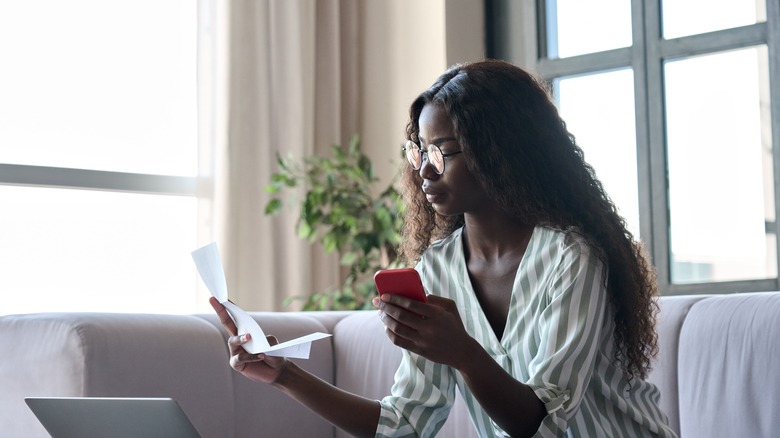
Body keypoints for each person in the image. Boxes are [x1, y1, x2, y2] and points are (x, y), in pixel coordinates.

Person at [210, 59, 677, 437]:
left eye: (441, 153)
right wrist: (283, 374)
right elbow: (404, 425)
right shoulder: (438, 268)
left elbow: (543, 425)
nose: (424, 172)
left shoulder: (571, 258)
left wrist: (464, 353)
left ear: (501, 152)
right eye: (419, 152)